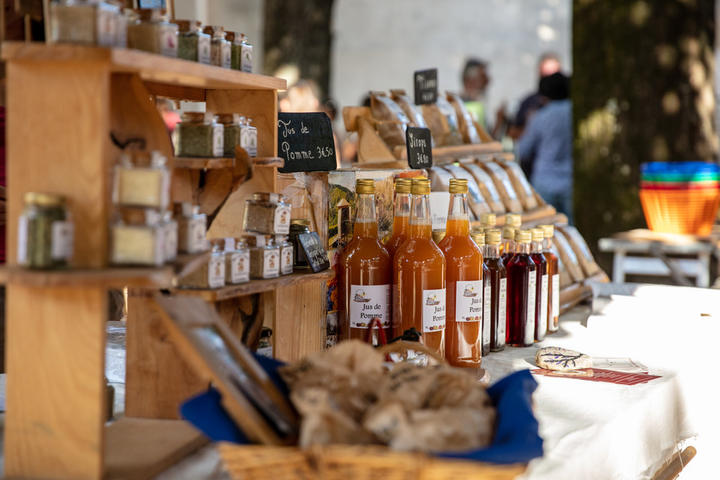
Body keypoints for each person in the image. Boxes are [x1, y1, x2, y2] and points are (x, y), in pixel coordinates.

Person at [516, 72, 573, 222]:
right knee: (571, 232)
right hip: (570, 180)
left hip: (544, 181)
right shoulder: (575, 112)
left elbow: (523, 149)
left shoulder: (540, 116)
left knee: (544, 230)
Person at [460, 58, 490, 131]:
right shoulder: (469, 107)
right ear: (470, 80)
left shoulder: (477, 104)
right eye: (483, 77)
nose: (488, 81)